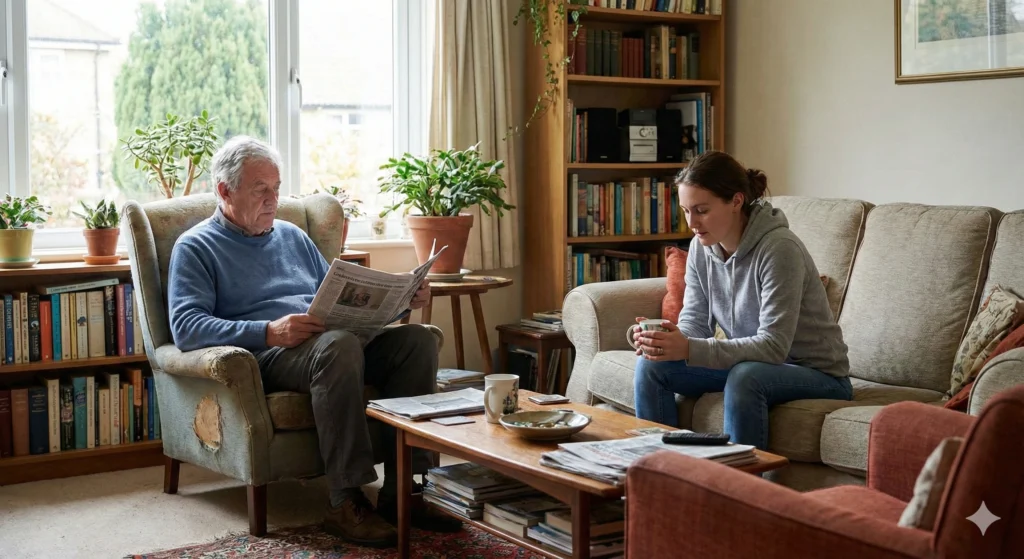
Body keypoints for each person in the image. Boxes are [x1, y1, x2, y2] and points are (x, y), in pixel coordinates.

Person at [167, 136, 460, 548]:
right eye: (260, 189)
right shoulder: (196, 246)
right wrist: (269, 331)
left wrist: (400, 302)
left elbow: (339, 298)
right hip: (268, 355)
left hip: (328, 343)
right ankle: (345, 499)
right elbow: (186, 327)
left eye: (276, 188)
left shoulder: (292, 236)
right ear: (224, 191)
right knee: (339, 346)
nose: (273, 200)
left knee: (418, 341)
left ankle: (406, 492)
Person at [631, 150, 853, 451]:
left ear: (736, 201)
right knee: (651, 366)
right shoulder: (700, 248)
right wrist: (664, 340)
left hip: (818, 374)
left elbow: (773, 347)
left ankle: (738, 480)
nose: (692, 222)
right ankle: (660, 469)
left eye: (701, 210)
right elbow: (695, 322)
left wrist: (690, 348)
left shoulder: (779, 249)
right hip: (750, 363)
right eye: (685, 211)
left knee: (745, 376)